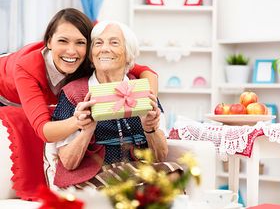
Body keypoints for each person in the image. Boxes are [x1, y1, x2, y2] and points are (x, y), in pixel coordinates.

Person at [0, 8, 158, 200]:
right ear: (48, 42)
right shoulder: (27, 67)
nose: (72, 50)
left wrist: (148, 105)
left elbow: (146, 71)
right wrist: (80, 122)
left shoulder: (86, 59)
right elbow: (44, 130)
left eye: (80, 43)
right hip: (5, 91)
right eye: (63, 41)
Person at [45, 20, 181, 190]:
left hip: (137, 173)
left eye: (114, 42)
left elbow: (160, 155)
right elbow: (68, 162)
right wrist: (87, 130)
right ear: (91, 55)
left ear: (128, 54)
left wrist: (150, 129)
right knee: (134, 189)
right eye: (98, 43)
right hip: (92, 177)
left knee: (174, 174)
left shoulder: (142, 89)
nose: (104, 49)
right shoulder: (74, 93)